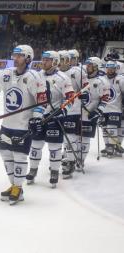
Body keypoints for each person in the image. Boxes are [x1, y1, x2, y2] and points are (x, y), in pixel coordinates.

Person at [0, 45, 47, 205]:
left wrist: (36, 118)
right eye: (14, 55)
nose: (15, 58)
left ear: (28, 58)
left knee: (19, 156)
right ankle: (14, 185)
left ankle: (18, 187)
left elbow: (42, 100)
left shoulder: (34, 76)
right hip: (7, 124)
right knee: (5, 153)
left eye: (19, 56)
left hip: (23, 124)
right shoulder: (7, 74)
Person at [26, 51, 73, 188]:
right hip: (38, 117)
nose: (43, 62)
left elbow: (70, 98)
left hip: (55, 117)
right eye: (43, 59)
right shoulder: (37, 75)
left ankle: (54, 171)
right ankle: (33, 170)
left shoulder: (63, 78)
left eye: (47, 60)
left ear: (55, 62)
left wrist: (62, 112)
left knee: (54, 147)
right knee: (35, 145)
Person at [58, 50, 86, 179]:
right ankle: (67, 156)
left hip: (73, 109)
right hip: (58, 110)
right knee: (63, 136)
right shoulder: (55, 73)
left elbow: (86, 88)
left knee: (71, 136)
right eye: (59, 59)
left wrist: (85, 96)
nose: (60, 62)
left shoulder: (76, 72)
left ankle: (70, 161)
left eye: (63, 59)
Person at [78, 57, 109, 166]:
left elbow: (105, 98)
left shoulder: (102, 81)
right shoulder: (82, 79)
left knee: (85, 138)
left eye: (90, 65)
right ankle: (70, 157)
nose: (87, 67)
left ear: (96, 66)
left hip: (90, 114)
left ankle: (80, 159)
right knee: (74, 137)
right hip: (77, 112)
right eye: (87, 65)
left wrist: (98, 111)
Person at [100, 61, 124, 157]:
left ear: (115, 68)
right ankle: (107, 145)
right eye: (108, 68)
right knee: (104, 127)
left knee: (112, 126)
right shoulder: (102, 79)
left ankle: (112, 145)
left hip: (115, 108)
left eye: (112, 68)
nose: (110, 70)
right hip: (103, 108)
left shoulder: (120, 79)